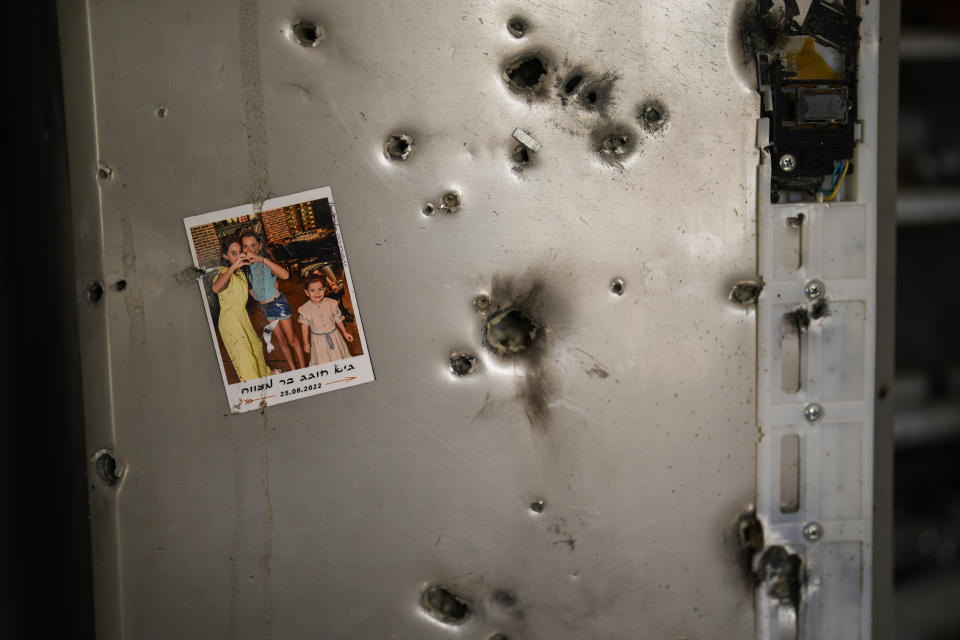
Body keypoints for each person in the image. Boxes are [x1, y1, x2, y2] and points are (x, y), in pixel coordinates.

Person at [239, 229, 307, 371]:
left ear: (259, 246)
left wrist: (263, 260)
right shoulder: (245, 268)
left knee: (291, 339)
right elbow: (252, 291)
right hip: (267, 308)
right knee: (281, 341)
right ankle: (293, 371)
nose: (249, 249)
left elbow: (286, 275)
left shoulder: (266, 262)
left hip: (279, 304)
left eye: (253, 245)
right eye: (245, 246)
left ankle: (304, 368)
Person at [211, 236, 271, 381]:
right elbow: (216, 288)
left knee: (256, 348)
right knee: (245, 359)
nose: (238, 256)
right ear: (225, 256)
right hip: (231, 321)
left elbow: (253, 294)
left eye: (239, 252)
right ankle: (256, 391)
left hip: (242, 316)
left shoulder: (241, 273)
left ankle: (264, 379)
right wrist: (233, 267)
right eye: (233, 253)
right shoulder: (223, 271)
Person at [298, 275, 354, 366]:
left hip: (334, 337)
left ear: (324, 289)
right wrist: (306, 343)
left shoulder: (332, 303)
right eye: (312, 290)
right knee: (323, 361)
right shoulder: (305, 309)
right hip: (318, 341)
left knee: (338, 358)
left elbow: (338, 319)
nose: (317, 293)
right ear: (307, 293)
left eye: (320, 289)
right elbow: (304, 327)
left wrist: (345, 332)